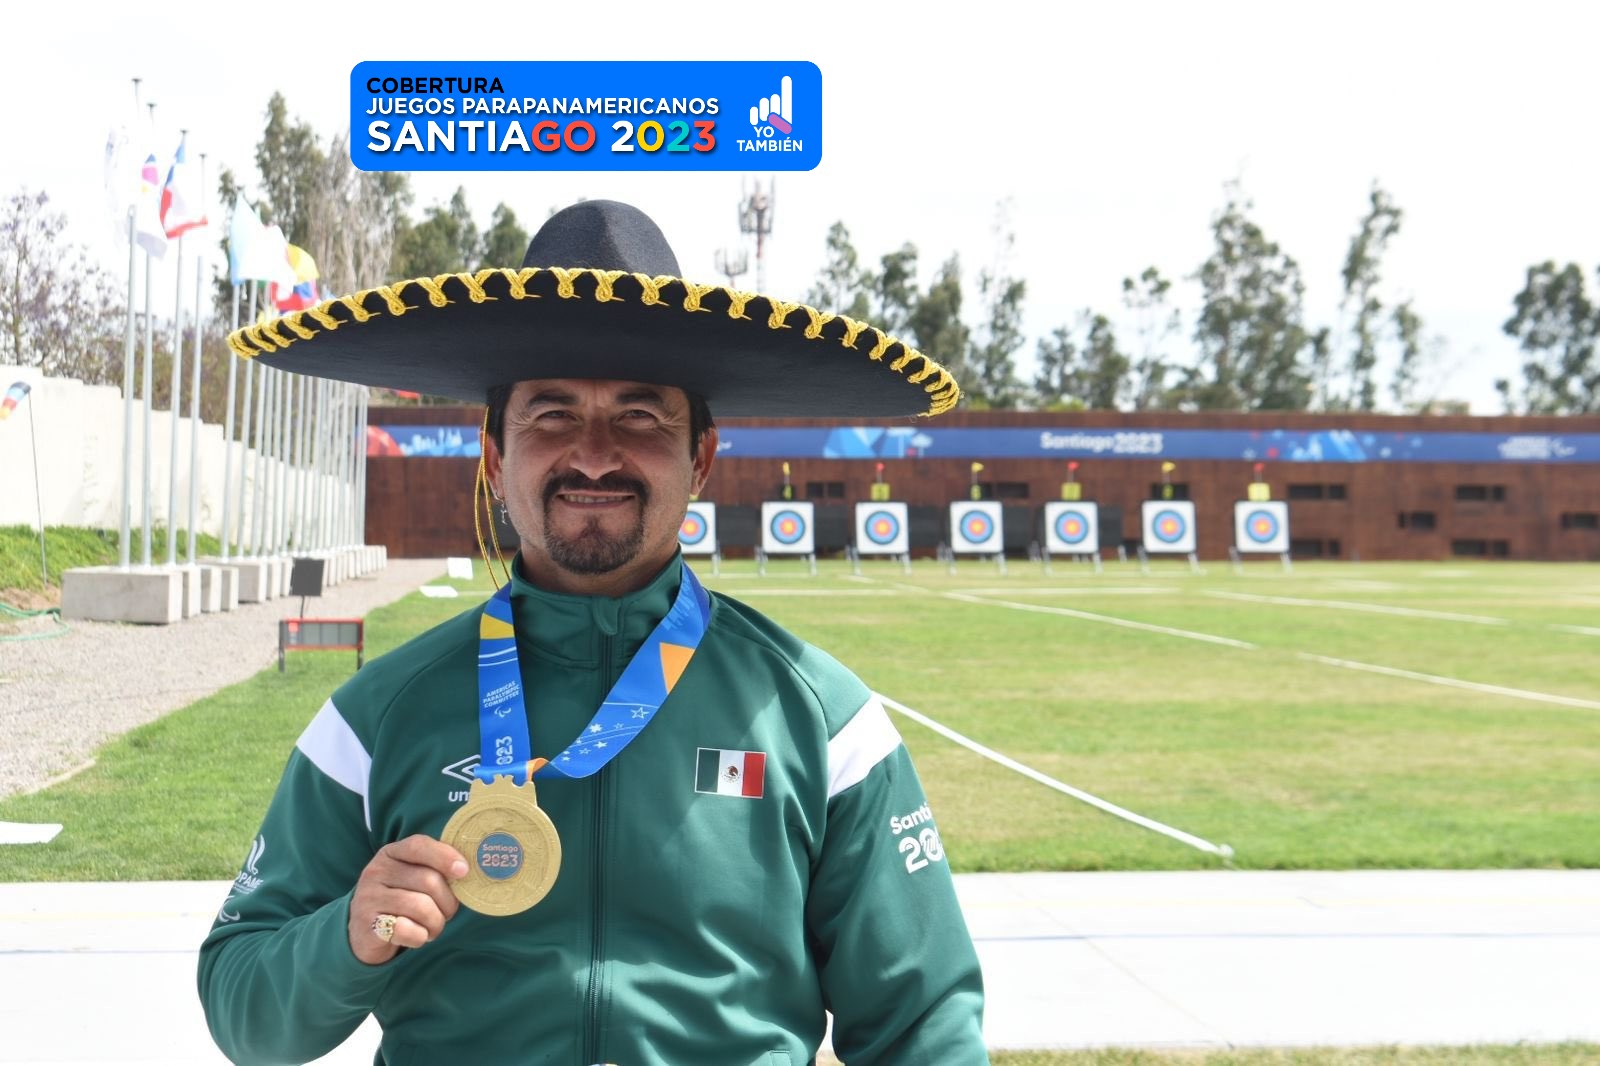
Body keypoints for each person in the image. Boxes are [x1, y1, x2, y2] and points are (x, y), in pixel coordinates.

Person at [199, 200, 984, 1065]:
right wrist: (348, 935)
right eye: (553, 415)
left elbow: (925, 1027)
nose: (597, 454)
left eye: (642, 417)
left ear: (703, 459)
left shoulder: (821, 718)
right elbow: (245, 1014)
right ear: (496, 457)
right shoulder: (377, 717)